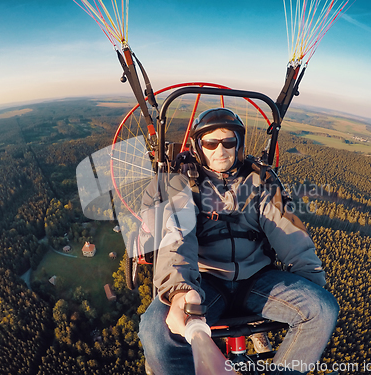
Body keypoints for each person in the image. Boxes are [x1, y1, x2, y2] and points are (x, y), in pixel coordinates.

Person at [138, 108, 339, 374]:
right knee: (156, 330)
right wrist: (180, 290)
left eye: (228, 142)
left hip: (258, 280)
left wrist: (310, 283)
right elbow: (177, 235)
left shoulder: (260, 181)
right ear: (199, 147)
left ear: (239, 145)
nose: (220, 150)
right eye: (211, 143)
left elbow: (286, 229)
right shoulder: (182, 184)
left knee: (322, 309)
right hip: (206, 283)